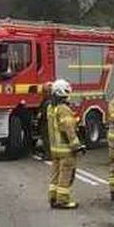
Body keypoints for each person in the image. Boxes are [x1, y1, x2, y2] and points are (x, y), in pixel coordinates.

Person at [47, 79, 85, 209]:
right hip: (65, 150)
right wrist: (77, 146)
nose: (69, 94)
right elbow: (68, 129)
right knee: (66, 175)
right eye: (68, 92)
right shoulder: (63, 109)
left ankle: (53, 198)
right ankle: (62, 201)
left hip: (54, 149)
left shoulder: (51, 108)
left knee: (55, 175)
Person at [35, 81, 53, 161]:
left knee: (47, 139)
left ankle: (48, 155)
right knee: (46, 139)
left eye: (44, 91)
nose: (43, 93)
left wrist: (39, 116)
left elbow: (44, 113)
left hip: (46, 123)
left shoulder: (48, 102)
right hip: (46, 122)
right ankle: (48, 154)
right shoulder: (48, 100)